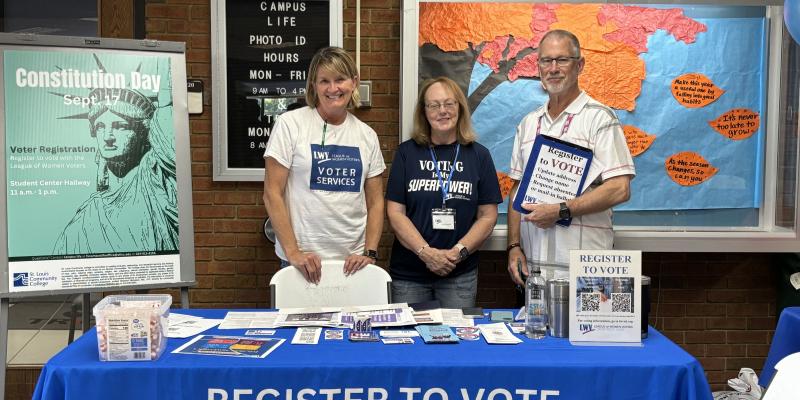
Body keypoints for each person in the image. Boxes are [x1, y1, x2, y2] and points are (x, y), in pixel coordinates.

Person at [507, 30, 636, 285]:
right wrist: (513, 245)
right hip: (534, 273)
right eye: (546, 60)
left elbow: (620, 189)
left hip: (588, 273)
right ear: (539, 67)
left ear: (580, 65)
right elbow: (516, 189)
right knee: (534, 327)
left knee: (592, 328)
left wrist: (561, 210)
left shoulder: (600, 119)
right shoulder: (528, 123)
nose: (553, 68)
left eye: (562, 60)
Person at [263, 46, 385, 284]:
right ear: (314, 85)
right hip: (303, 263)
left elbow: (376, 201)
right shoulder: (290, 124)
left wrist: (369, 252)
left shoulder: (367, 135)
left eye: (340, 79)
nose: (333, 89)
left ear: (354, 82)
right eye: (324, 81)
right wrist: (293, 253)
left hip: (353, 262)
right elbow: (272, 193)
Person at [386, 77, 501, 308]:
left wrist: (457, 253)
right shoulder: (406, 153)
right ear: (424, 112)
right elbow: (395, 212)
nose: (442, 111)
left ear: (460, 108)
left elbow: (488, 216)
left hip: (458, 274)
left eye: (449, 104)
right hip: (410, 275)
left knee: (457, 341)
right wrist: (426, 253)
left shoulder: (479, 156)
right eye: (434, 105)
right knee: (408, 341)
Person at [54, 86, 178, 254]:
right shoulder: (86, 216)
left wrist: (166, 99)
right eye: (100, 127)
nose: (108, 137)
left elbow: (167, 138)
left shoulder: (154, 181)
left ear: (143, 132)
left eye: (120, 126)